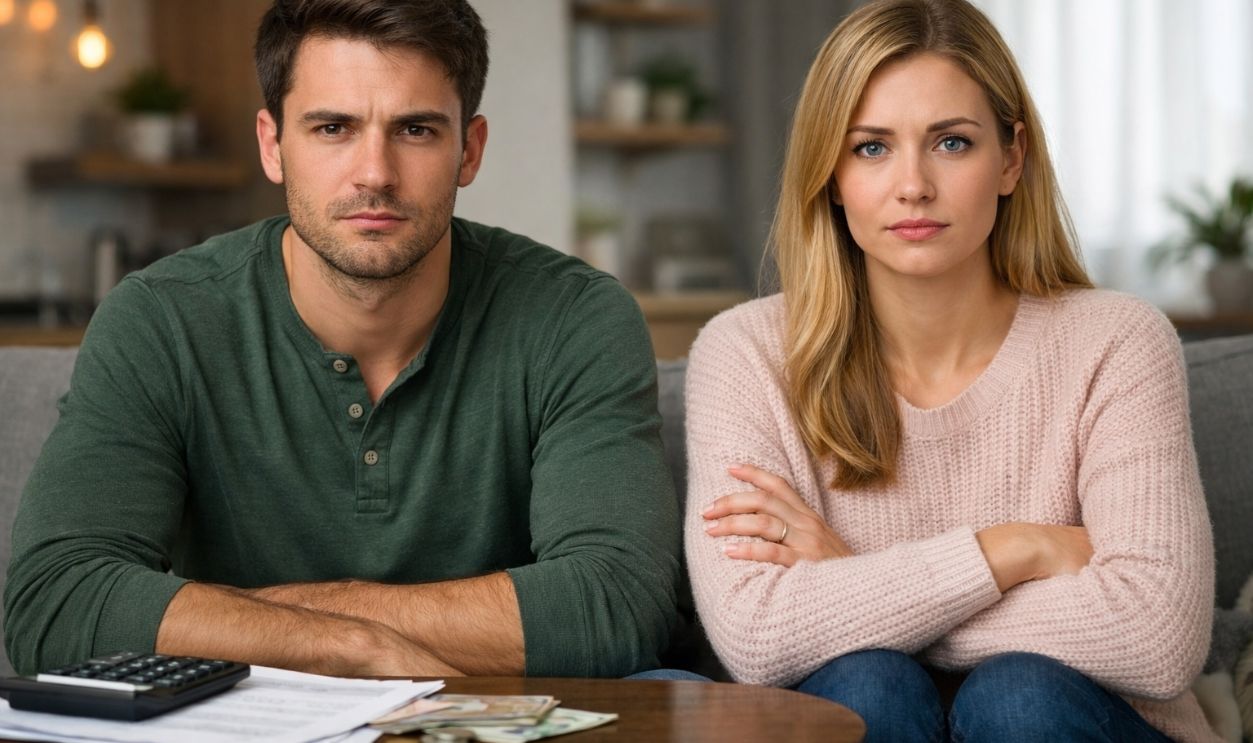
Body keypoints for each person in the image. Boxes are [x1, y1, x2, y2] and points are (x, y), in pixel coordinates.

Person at [5, 0, 680, 680]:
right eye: (333, 127)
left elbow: (615, 602)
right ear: (272, 145)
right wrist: (344, 644)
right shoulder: (160, 320)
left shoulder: (574, 315)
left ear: (468, 150)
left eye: (415, 129)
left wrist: (264, 622)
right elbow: (56, 605)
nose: (374, 173)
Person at [684, 0, 1216, 740]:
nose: (913, 185)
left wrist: (854, 579)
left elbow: (1155, 638)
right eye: (870, 148)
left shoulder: (1115, 340)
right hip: (872, 713)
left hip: (1078, 723)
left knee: (1016, 697)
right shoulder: (745, 352)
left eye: (951, 143)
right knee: (866, 684)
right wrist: (1015, 548)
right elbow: (755, 634)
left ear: (1011, 158)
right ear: (830, 174)